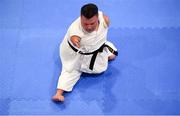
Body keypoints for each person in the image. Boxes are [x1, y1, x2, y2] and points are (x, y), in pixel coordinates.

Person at [52, 3, 118, 102]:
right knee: (70, 71)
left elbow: (102, 20)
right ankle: (58, 93)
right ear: (81, 18)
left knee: (103, 64)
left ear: (97, 18)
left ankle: (105, 55)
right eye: (85, 24)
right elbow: (74, 36)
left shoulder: (103, 18)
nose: (89, 27)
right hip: (77, 55)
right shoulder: (76, 30)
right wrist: (75, 41)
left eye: (92, 23)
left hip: (97, 47)